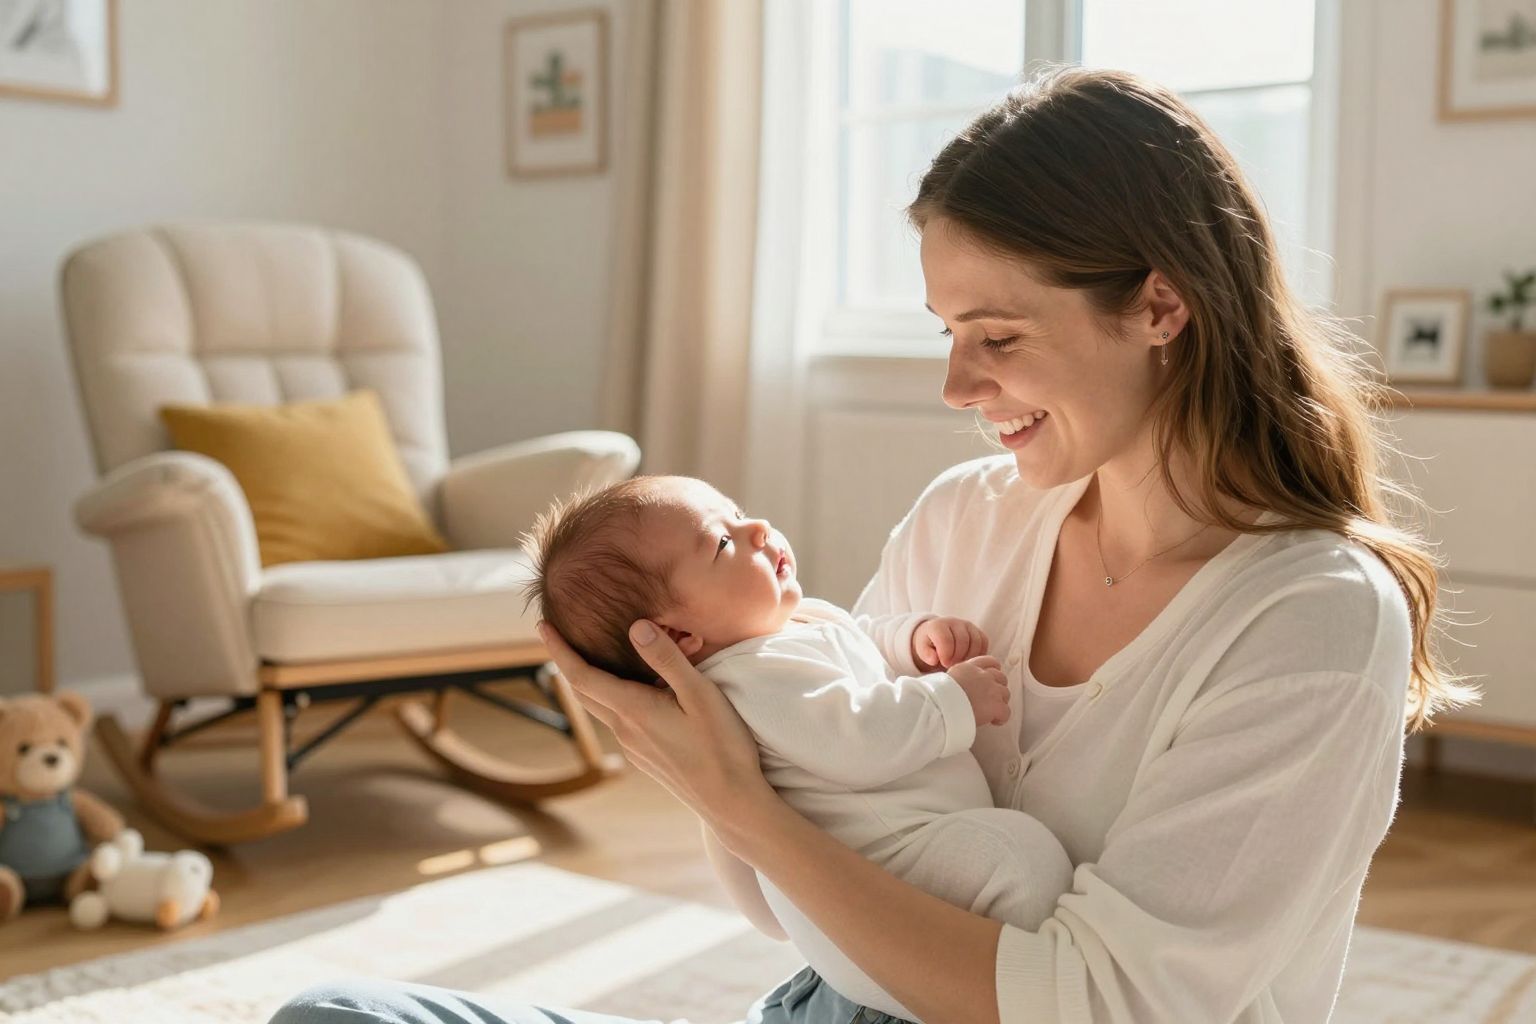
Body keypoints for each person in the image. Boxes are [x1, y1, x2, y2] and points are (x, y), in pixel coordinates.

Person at [268, 64, 1475, 1024]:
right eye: (949, 330)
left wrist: (739, 803)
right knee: (335, 1014)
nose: (958, 382)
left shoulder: (1311, 614)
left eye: (995, 333)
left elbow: (1102, 1005)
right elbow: (786, 907)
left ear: (1160, 306)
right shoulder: (968, 516)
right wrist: (721, 765)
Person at [517, 473, 1074, 1018]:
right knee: (1019, 857)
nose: (758, 528)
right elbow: (856, 739)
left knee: (1010, 858)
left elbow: (858, 641)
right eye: (722, 542)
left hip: (893, 869)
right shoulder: (751, 679)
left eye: (737, 511)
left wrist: (912, 639)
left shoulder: (789, 627)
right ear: (680, 637)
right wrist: (950, 700)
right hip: (885, 871)